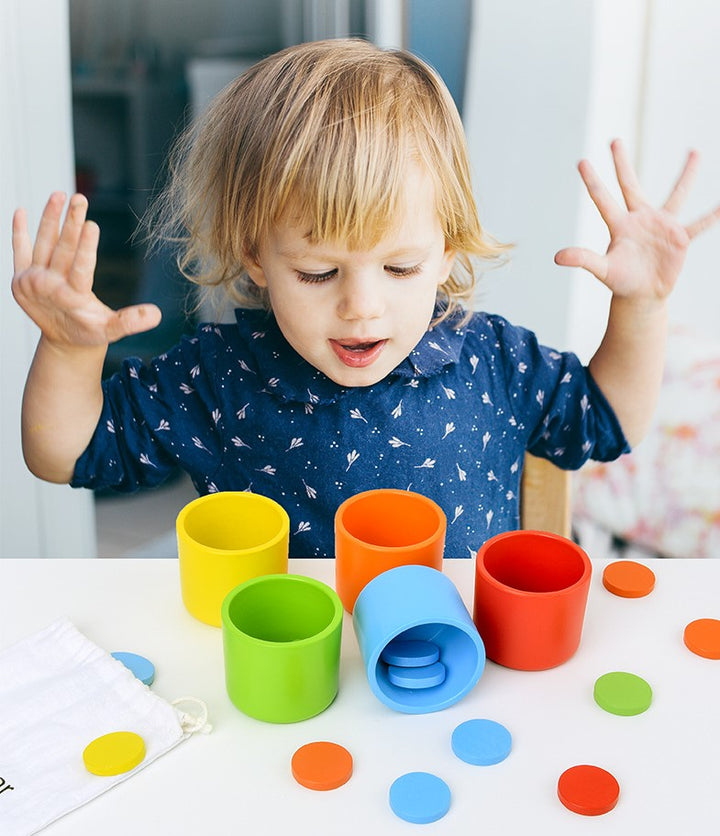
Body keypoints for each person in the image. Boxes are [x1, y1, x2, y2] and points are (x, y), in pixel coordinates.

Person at [11, 39, 720, 557]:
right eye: (318, 274)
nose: (361, 308)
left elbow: (608, 422)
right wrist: (71, 353)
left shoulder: (492, 358)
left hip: (459, 677)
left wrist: (643, 308)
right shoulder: (216, 375)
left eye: (402, 268)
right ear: (255, 256)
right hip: (288, 687)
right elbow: (66, 455)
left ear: (449, 246)